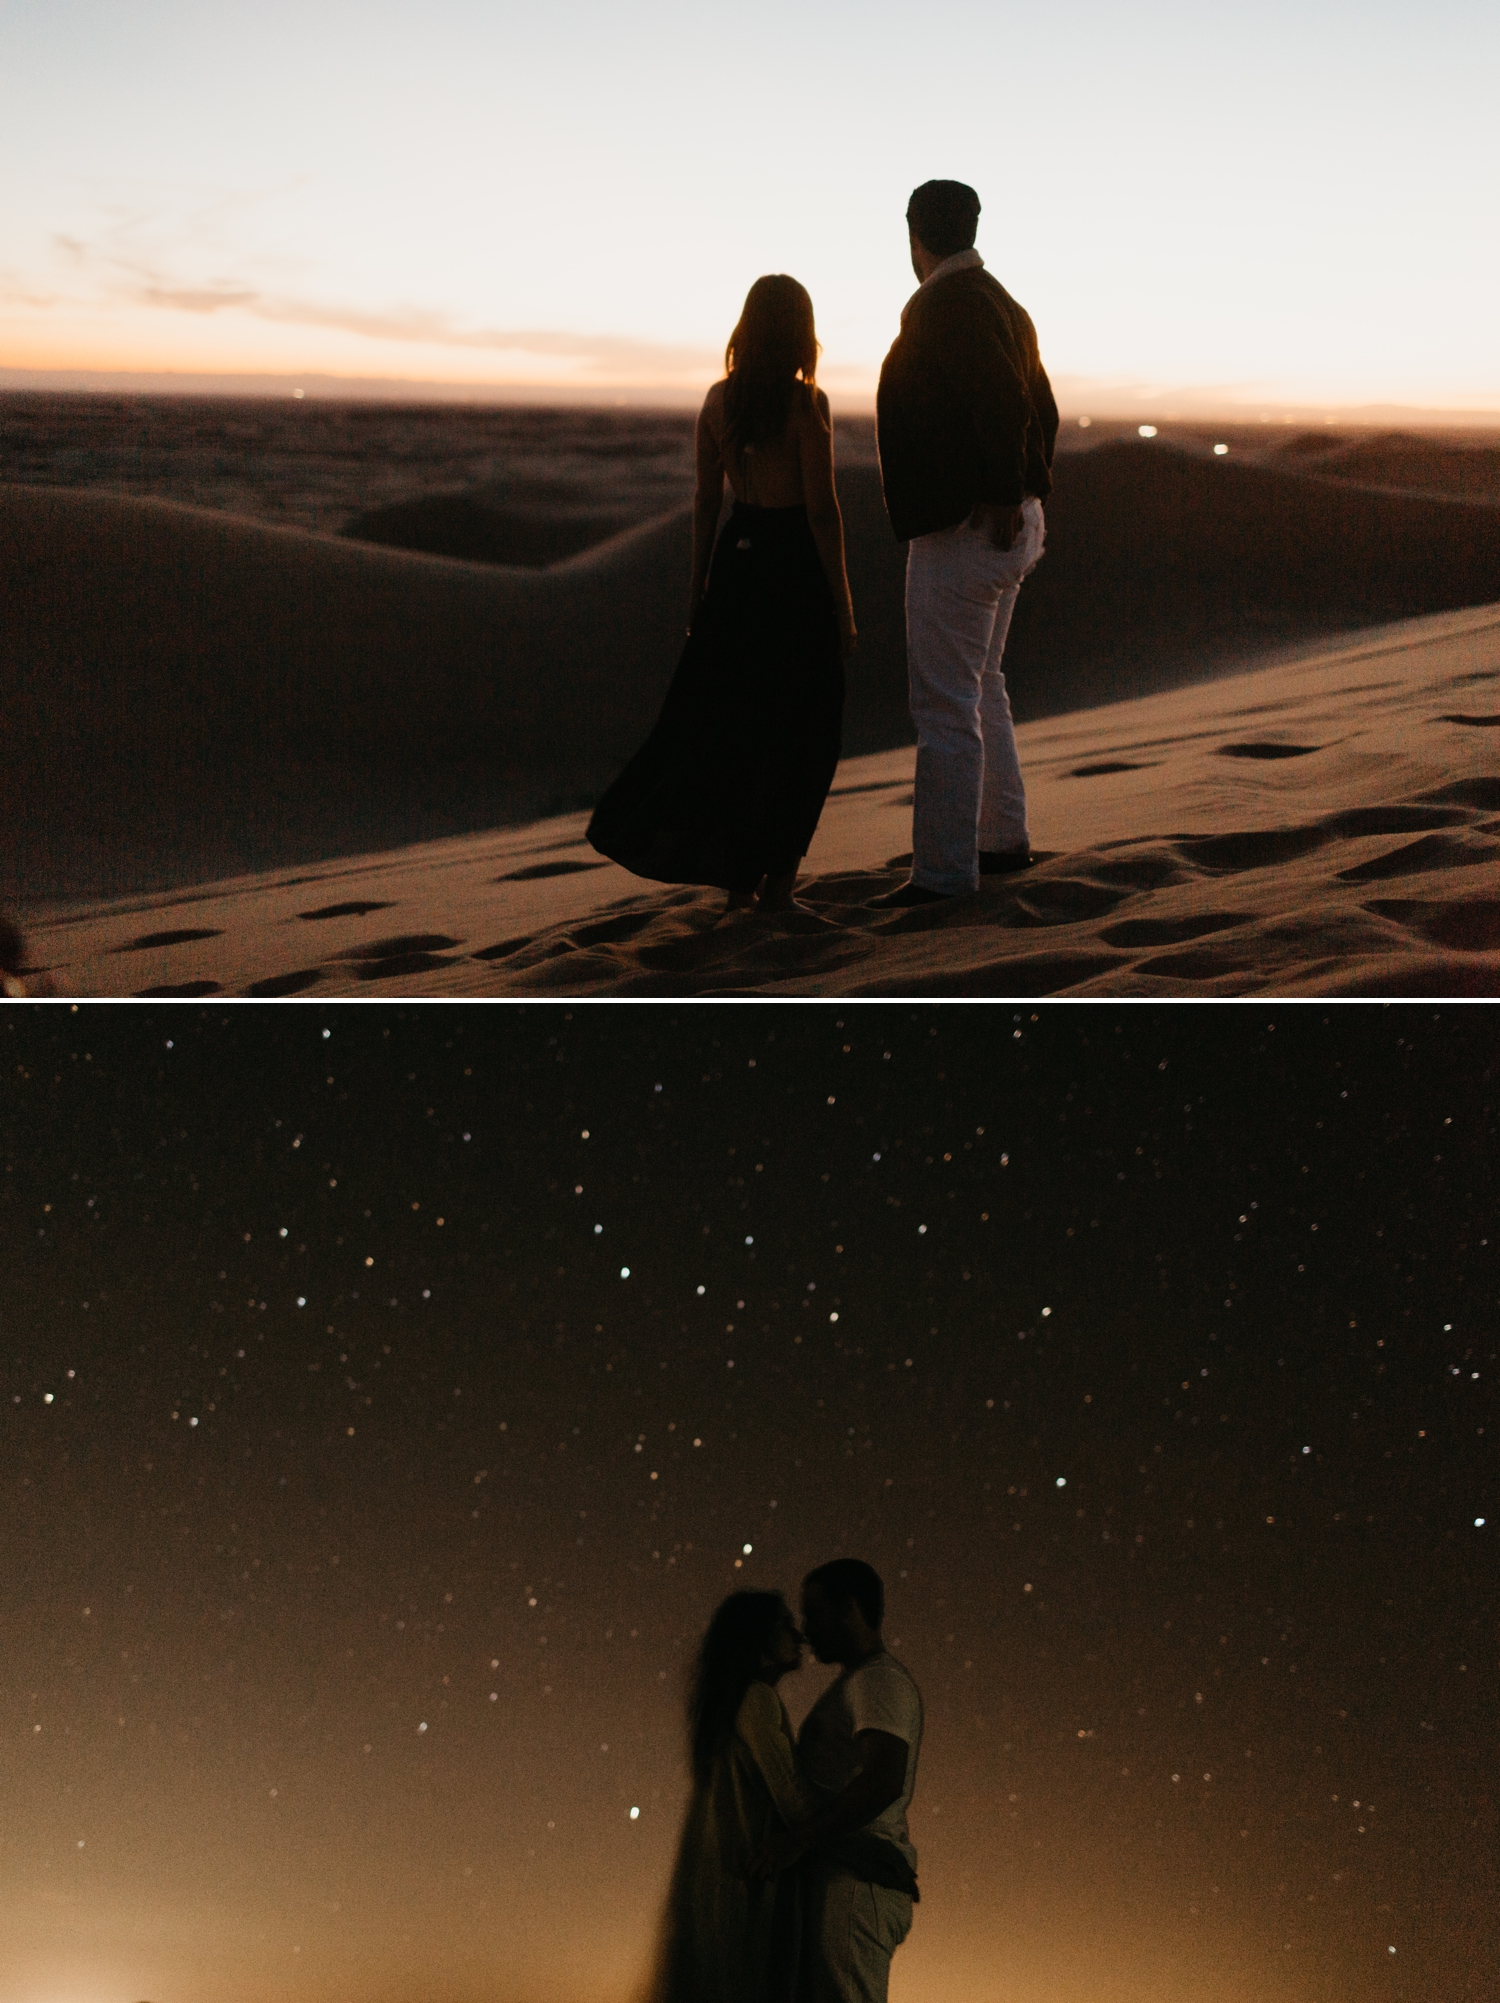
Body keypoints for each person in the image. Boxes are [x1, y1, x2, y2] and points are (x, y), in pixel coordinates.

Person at [588, 275, 857, 913]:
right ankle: (779, 889)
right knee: (807, 731)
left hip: (738, 572)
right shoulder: (806, 406)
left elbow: (708, 503)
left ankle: (740, 886)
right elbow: (822, 514)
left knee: (737, 732)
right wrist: (843, 608)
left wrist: (697, 592)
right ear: (800, 333)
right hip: (792, 577)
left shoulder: (717, 402)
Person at [872, 179, 1059, 906]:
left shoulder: (951, 306)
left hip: (968, 528)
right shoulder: (1001, 301)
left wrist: (1006, 493)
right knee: (981, 685)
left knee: (945, 702)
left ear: (915, 236)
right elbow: (1037, 403)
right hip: (1002, 522)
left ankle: (945, 875)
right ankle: (1000, 839)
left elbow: (1006, 400)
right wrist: (1024, 493)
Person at [752, 1560, 923, 2003]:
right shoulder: (859, 1683)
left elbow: (883, 1780)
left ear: (849, 1609)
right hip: (846, 1876)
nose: (806, 1630)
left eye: (815, 1612)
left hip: (856, 1882)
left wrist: (798, 1840)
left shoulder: (878, 1681)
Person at [651, 1589, 817, 2003]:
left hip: (721, 1897)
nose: (799, 1635)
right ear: (757, 1637)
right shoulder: (758, 1699)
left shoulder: (727, 1708)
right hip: (750, 1899)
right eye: (785, 1624)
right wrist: (876, 1854)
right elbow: (798, 1804)